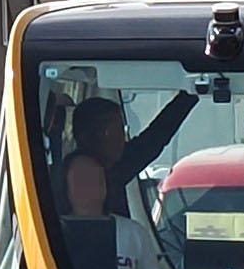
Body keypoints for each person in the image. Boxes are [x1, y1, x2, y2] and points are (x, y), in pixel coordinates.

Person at [73, 90, 198, 219]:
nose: (124, 138)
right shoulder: (114, 172)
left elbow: (154, 138)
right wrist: (189, 95)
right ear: (107, 133)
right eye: (122, 129)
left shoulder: (56, 177)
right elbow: (155, 137)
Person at [61, 150, 162, 269]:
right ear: (65, 185)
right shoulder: (51, 231)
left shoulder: (134, 232)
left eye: (95, 177)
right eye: (81, 178)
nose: (89, 184)